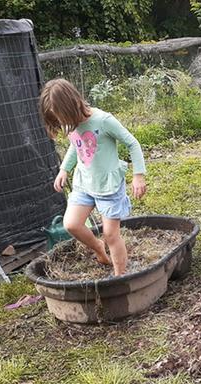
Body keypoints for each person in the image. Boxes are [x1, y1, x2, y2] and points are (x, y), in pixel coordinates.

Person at [39, 78, 147, 276]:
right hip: (84, 184)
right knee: (71, 224)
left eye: (62, 118)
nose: (62, 124)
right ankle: (98, 248)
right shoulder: (71, 125)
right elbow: (76, 144)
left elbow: (132, 143)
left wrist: (138, 175)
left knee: (111, 234)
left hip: (108, 186)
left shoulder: (103, 120)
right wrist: (64, 169)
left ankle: (120, 276)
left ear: (71, 105)